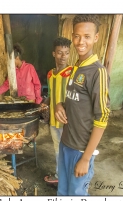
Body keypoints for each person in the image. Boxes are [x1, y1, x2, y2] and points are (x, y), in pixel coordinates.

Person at [54, 14, 111, 195]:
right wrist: (59, 105)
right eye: (77, 36)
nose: (81, 41)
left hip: (81, 149)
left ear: (96, 38)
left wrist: (86, 158)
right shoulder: (76, 67)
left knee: (76, 195)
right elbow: (75, 100)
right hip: (66, 143)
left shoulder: (98, 72)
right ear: (72, 36)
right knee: (63, 192)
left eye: (87, 37)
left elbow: (102, 117)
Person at [43, 37, 73, 184]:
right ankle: (59, 175)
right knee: (57, 149)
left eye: (66, 53)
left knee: (69, 150)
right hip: (54, 121)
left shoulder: (72, 73)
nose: (63, 56)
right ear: (53, 54)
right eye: (60, 52)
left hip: (68, 120)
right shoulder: (50, 74)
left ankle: (70, 178)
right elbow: (50, 95)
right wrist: (44, 104)